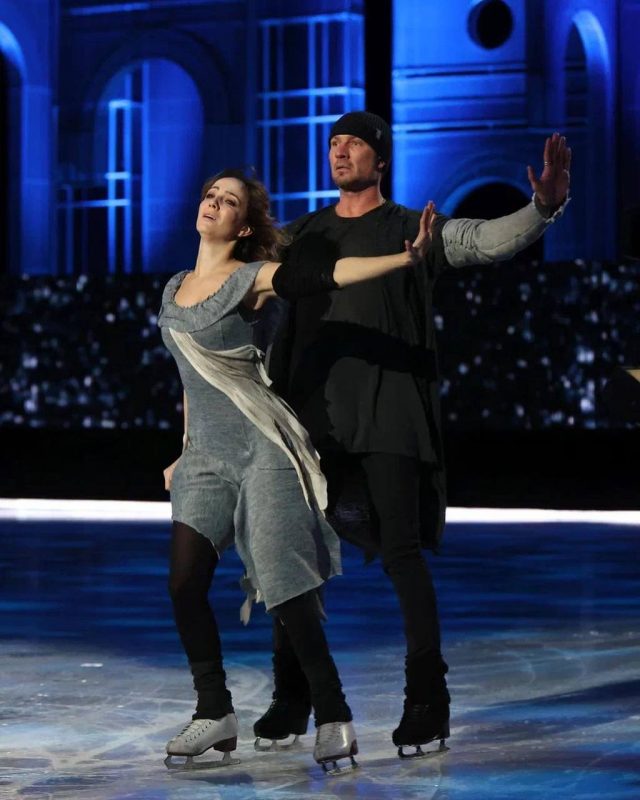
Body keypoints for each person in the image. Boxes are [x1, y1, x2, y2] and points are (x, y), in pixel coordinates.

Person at [254, 111, 572, 757]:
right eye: (334, 143)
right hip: (308, 419)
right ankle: (293, 694)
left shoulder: (412, 228)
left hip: (389, 413)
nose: (341, 152)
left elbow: (483, 240)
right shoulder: (303, 235)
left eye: (355, 143)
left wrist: (542, 208)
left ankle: (428, 701)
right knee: (291, 558)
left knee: (401, 554)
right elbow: (245, 278)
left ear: (381, 159)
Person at [157, 167, 435, 771]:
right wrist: (183, 448)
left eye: (229, 201)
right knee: (184, 583)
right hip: (206, 456)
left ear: (244, 225)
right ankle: (215, 711)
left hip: (263, 447)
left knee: (285, 587)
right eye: (210, 195)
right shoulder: (175, 287)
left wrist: (402, 259)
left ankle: (332, 713)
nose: (214, 203)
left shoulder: (252, 277)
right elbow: (192, 378)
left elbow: (324, 275)